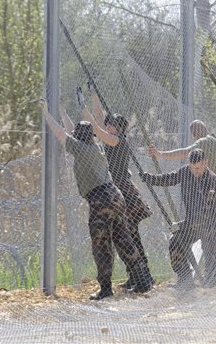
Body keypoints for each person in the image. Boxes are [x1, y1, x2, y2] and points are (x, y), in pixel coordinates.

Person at [40, 101, 153, 299]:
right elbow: (70, 132)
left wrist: (47, 114)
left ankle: (106, 289)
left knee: (101, 245)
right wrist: (63, 112)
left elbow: (61, 133)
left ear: (78, 139)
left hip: (100, 200)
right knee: (123, 239)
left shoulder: (80, 149)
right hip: (116, 196)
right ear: (91, 137)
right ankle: (143, 280)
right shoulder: (95, 148)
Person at [78, 88, 154, 291]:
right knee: (127, 235)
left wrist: (83, 107)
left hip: (124, 194)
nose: (107, 125)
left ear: (118, 129)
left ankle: (143, 276)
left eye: (111, 124)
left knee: (130, 236)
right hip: (118, 193)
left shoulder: (117, 141)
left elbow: (97, 125)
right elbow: (100, 121)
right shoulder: (112, 137)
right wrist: (94, 96)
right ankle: (136, 276)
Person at [140, 149, 216, 289]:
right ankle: (185, 280)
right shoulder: (186, 172)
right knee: (175, 242)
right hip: (192, 224)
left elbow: (205, 213)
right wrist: (150, 178)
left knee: (211, 253)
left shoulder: (212, 181)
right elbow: (169, 178)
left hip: (212, 225)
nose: (195, 171)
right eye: (193, 168)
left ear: (206, 163)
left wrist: (181, 225)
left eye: (198, 168)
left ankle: (212, 282)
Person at [148, 120, 216, 183]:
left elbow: (185, 152)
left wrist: (159, 154)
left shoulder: (203, 142)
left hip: (206, 186)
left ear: (194, 134)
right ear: (206, 128)